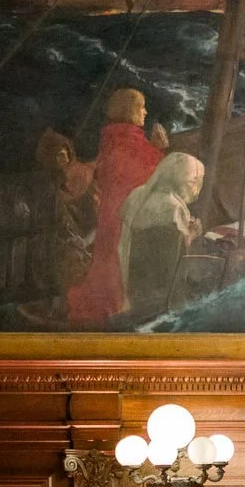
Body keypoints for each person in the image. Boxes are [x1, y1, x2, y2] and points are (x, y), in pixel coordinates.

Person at [65, 87, 166, 326]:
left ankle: (111, 306)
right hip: (126, 211)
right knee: (118, 261)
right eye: (141, 107)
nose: (145, 112)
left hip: (111, 209)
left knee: (108, 259)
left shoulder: (112, 137)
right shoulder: (129, 142)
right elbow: (151, 175)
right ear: (129, 110)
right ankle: (114, 310)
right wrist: (160, 149)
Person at [117, 151, 204, 319]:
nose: (196, 191)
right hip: (159, 292)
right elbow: (172, 261)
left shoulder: (139, 195)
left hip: (135, 283)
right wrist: (191, 235)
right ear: (179, 178)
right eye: (194, 182)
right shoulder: (172, 208)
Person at [35, 128, 97, 294]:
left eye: (63, 155)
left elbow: (98, 217)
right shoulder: (47, 183)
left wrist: (85, 240)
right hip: (62, 239)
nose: (61, 160)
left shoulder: (83, 175)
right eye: (56, 156)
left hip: (89, 235)